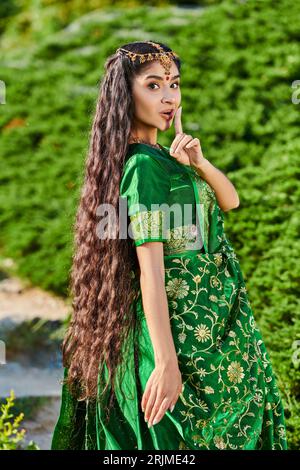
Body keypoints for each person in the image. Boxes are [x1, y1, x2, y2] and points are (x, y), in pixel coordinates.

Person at [51, 40, 288, 450]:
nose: (169, 98)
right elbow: (151, 274)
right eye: (154, 85)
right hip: (182, 329)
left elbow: (231, 201)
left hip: (217, 321)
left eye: (175, 85)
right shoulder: (143, 166)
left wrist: (199, 163)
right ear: (126, 93)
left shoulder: (165, 157)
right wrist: (165, 362)